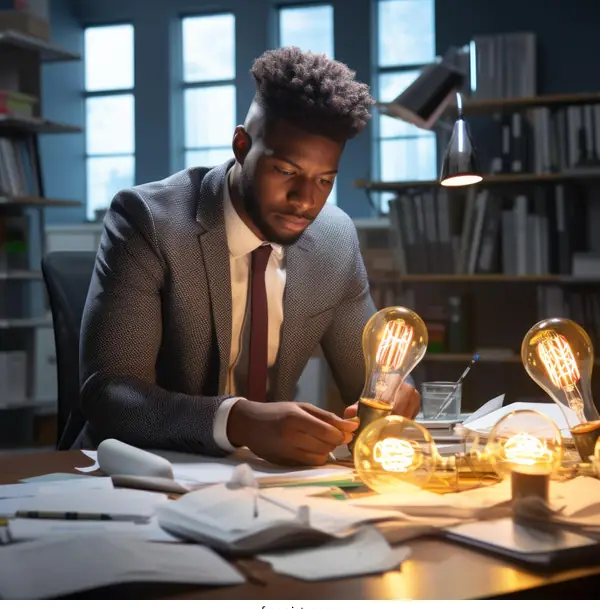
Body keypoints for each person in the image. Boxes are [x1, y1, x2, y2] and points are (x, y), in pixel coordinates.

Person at [77, 46, 420, 466]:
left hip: (263, 484)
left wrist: (389, 396)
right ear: (242, 144)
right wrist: (237, 421)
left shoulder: (334, 238)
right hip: (135, 476)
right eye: (287, 172)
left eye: (324, 180)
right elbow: (109, 394)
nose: (304, 201)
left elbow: (368, 377)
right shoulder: (148, 220)